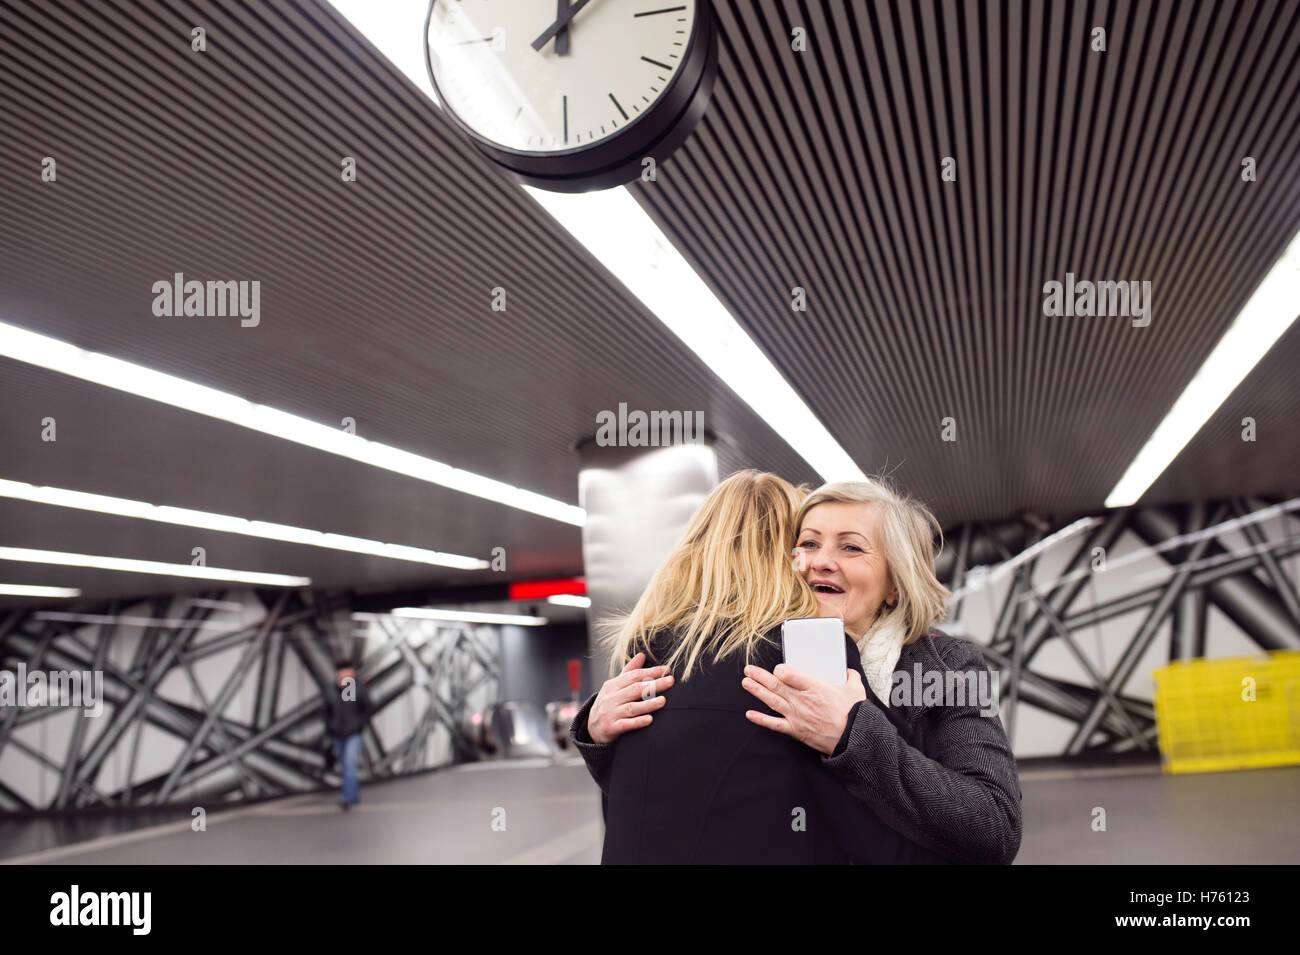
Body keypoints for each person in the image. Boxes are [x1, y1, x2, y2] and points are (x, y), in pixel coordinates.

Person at [573, 476, 1023, 864]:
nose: (818, 561)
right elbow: (692, 792)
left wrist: (855, 735)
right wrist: (600, 736)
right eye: (806, 543)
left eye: (851, 547)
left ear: (895, 585)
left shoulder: (947, 667)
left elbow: (994, 826)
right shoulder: (772, 658)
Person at [322, 659, 375, 811]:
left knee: (350, 763)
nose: (349, 674)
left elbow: (358, 710)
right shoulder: (332, 690)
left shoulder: (350, 689)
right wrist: (331, 726)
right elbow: (327, 711)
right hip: (338, 734)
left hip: (352, 733)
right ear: (339, 673)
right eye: (346, 671)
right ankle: (353, 795)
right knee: (346, 765)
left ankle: (347, 797)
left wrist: (358, 724)